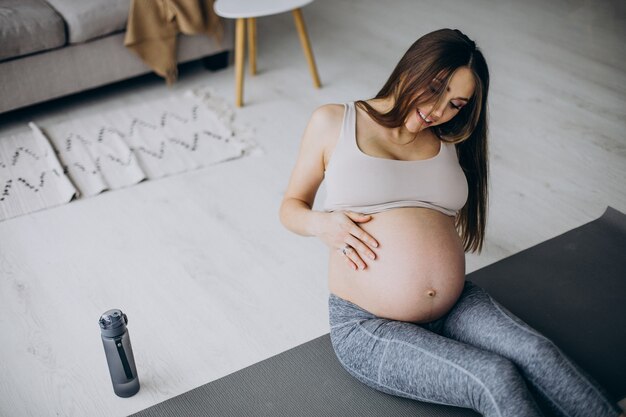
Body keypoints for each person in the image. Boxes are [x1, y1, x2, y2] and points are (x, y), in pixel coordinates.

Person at [279, 28, 623, 417]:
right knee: (493, 377)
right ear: (414, 66)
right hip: (368, 325)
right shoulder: (334, 122)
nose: (439, 111)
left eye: (456, 104)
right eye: (435, 88)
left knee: (537, 353)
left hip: (458, 303)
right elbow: (291, 206)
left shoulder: (448, 141)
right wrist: (321, 224)